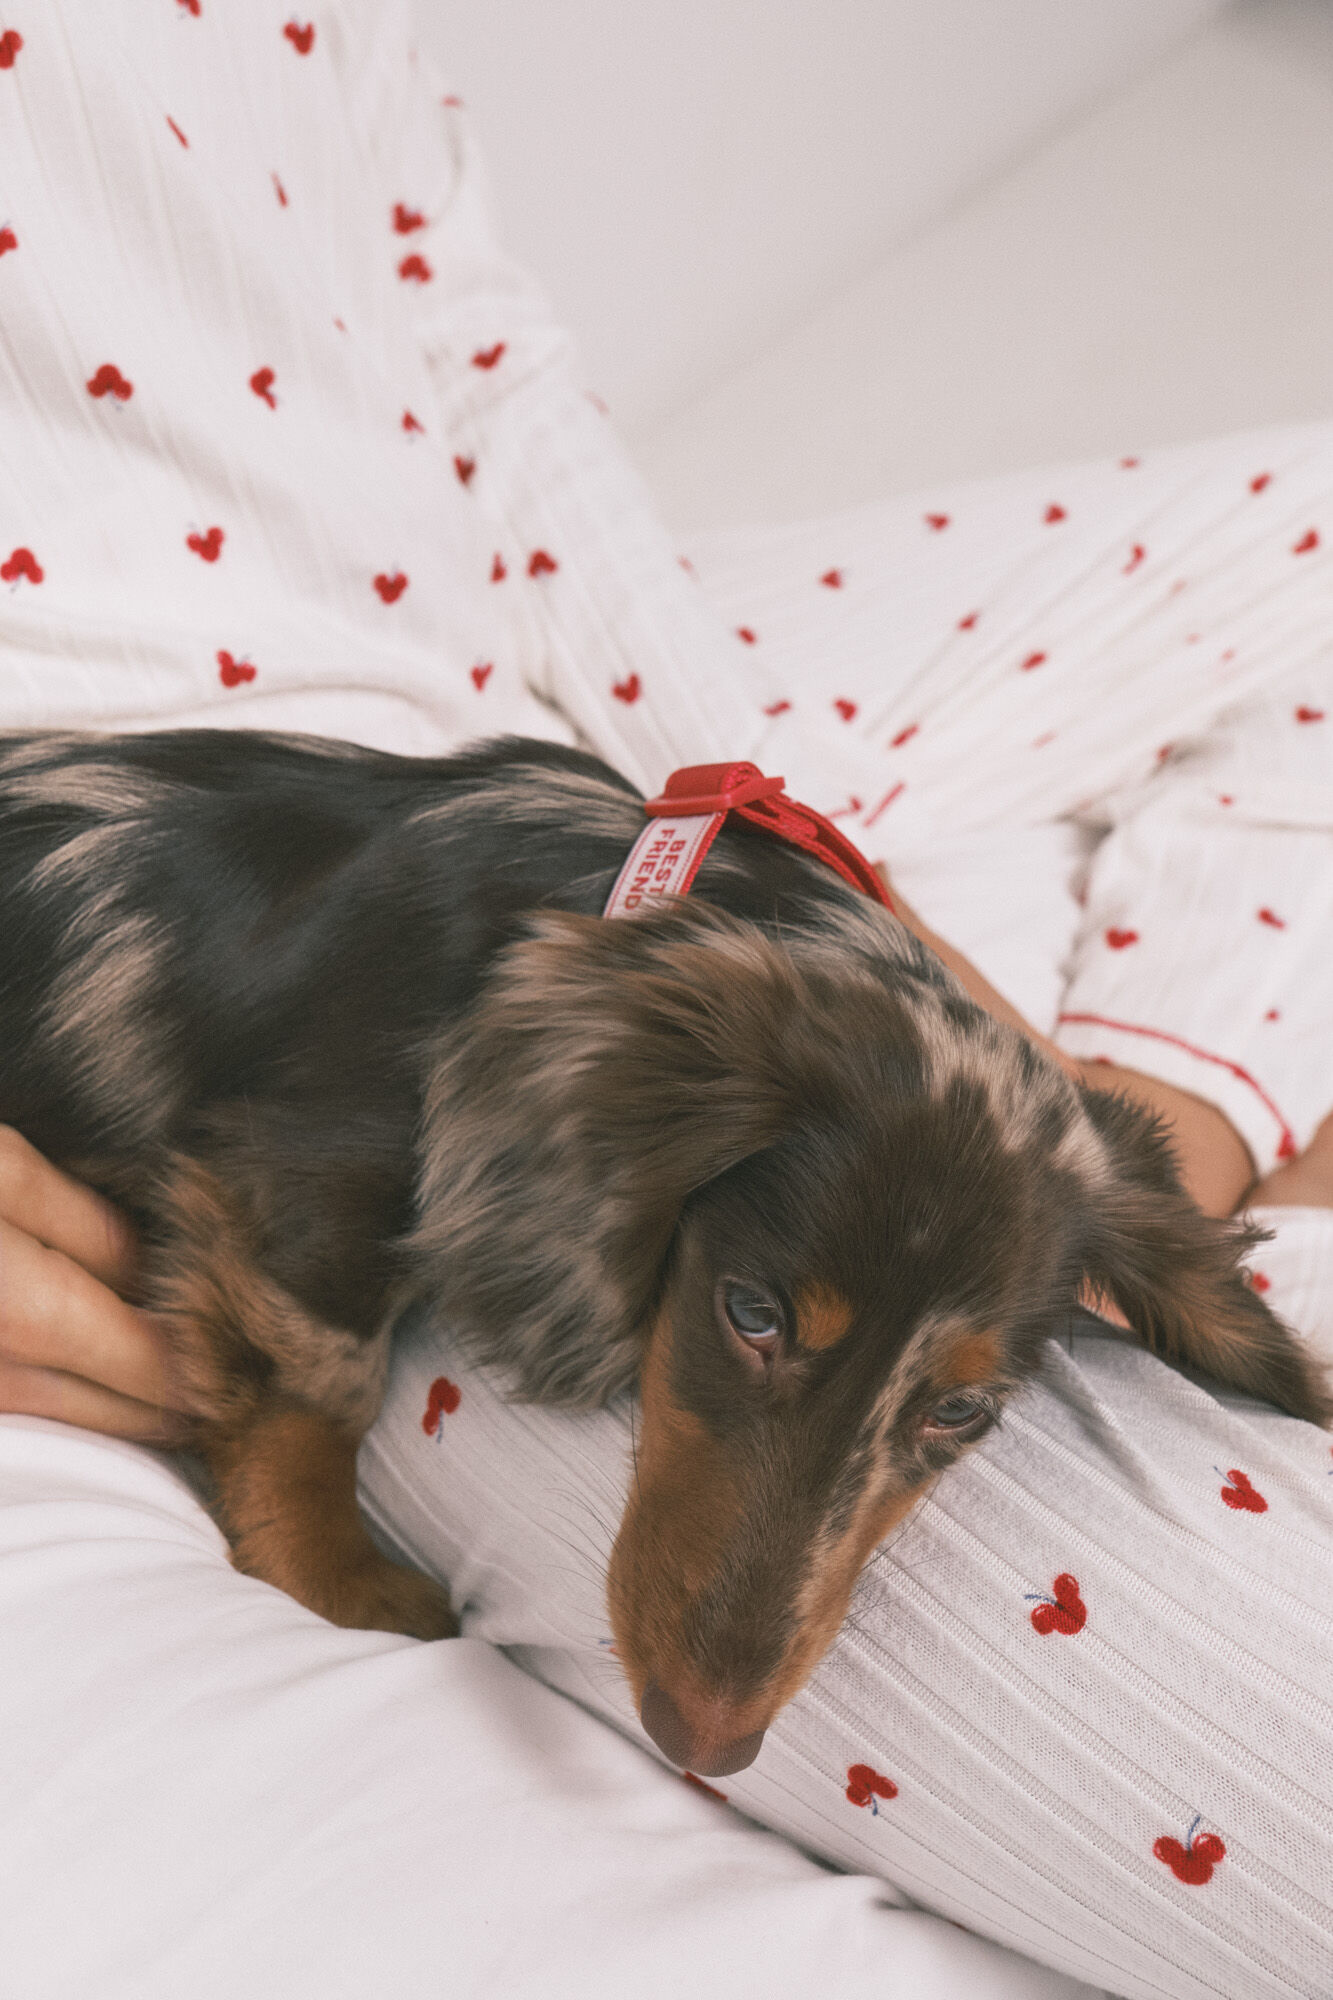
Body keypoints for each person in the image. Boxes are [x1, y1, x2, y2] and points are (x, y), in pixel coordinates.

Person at [3, 6, 1332, 1995]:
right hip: (284, 963)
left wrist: (784, 857)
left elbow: (472, 354)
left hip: (540, 739)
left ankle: (1183, 1167)